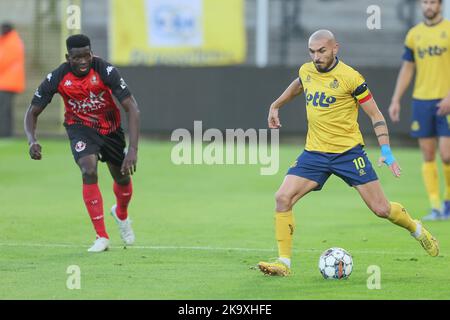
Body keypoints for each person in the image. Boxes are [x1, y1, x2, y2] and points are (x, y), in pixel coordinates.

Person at [257, 30, 439, 277]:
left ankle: (416, 228)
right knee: (282, 198)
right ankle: (284, 264)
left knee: (381, 209)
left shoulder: (351, 78)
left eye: (322, 51)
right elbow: (299, 85)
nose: (316, 57)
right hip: (315, 153)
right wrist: (275, 105)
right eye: (312, 51)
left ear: (335, 49)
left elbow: (375, 115)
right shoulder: (306, 70)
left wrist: (386, 150)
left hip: (348, 153)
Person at [24, 34, 140, 252]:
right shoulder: (57, 77)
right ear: (69, 57)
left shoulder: (105, 70)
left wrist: (132, 149)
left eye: (87, 55)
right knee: (88, 170)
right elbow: (32, 112)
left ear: (91, 53)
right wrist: (32, 140)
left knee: (122, 178)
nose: (83, 61)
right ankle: (102, 237)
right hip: (80, 129)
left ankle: (121, 214)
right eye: (77, 57)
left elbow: (132, 108)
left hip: (111, 129)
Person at [389, 0, 450, 221]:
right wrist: (396, 99)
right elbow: (407, 68)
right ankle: (435, 207)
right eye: (425, 2)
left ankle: (448, 202)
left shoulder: (448, 30)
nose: (428, 6)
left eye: (432, 2)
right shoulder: (414, 34)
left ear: (440, 5)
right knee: (427, 154)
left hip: (446, 100)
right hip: (421, 100)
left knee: (447, 154)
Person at [0, 22, 25, 137]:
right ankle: (7, 133)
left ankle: (4, 133)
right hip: (9, 81)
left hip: (7, 82)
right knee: (6, 110)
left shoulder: (11, 42)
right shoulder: (12, 40)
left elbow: (3, 61)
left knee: (3, 110)